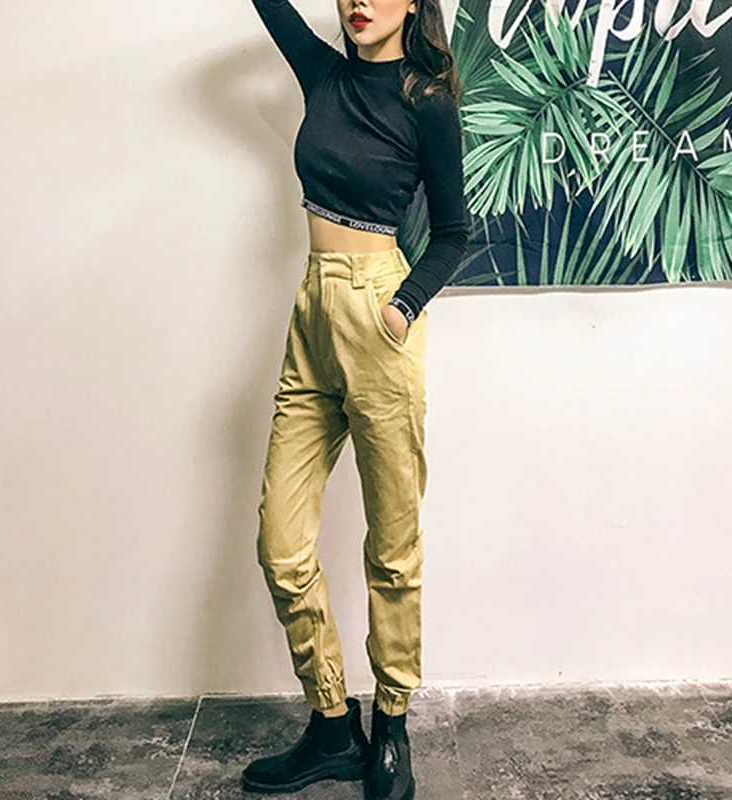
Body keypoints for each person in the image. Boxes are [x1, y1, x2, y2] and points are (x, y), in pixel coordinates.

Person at [244, 1, 468, 797]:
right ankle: (334, 724)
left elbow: (454, 232)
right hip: (311, 311)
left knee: (393, 543)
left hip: (378, 312)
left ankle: (393, 724)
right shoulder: (323, 74)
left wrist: (402, 307)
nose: (358, 1)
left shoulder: (428, 101)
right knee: (281, 544)